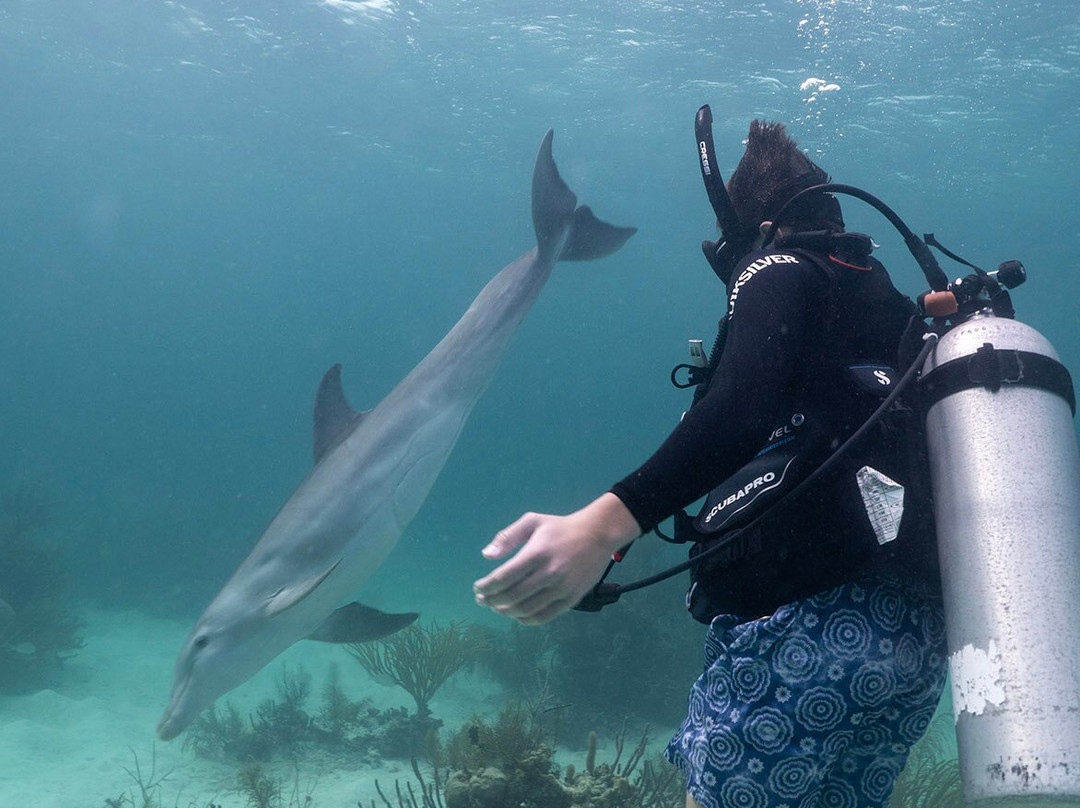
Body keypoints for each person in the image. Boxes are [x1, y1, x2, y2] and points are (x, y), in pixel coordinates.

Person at [473, 119, 947, 808]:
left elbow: (739, 410)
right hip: (913, 637)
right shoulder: (886, 301)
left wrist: (603, 527)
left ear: (749, 228)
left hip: (803, 628)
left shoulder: (773, 270)